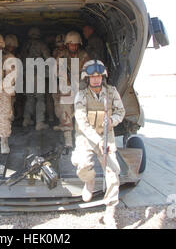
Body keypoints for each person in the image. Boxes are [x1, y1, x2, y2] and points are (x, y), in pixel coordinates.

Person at [72, 60, 125, 228]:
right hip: (87, 137)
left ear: (103, 77)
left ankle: (110, 212)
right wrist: (98, 141)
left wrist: (113, 120)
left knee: (112, 173)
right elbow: (83, 123)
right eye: (92, 77)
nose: (96, 80)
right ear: (87, 78)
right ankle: (89, 181)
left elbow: (121, 112)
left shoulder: (111, 92)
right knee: (82, 165)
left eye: (98, 76)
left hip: (107, 135)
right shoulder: (81, 95)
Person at [53, 30, 90, 148]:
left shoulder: (84, 55)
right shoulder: (62, 55)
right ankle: (68, 137)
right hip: (67, 86)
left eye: (75, 44)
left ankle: (80, 136)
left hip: (81, 85)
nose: (73, 46)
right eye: (71, 44)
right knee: (65, 112)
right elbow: (56, 71)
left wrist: (80, 82)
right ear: (67, 44)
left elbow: (88, 71)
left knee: (82, 111)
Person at [21, 27, 51, 131]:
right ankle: (40, 122)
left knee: (29, 98)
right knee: (40, 98)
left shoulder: (25, 45)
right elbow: (48, 58)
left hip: (27, 73)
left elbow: (21, 59)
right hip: (38, 73)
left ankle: (26, 119)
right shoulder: (42, 45)